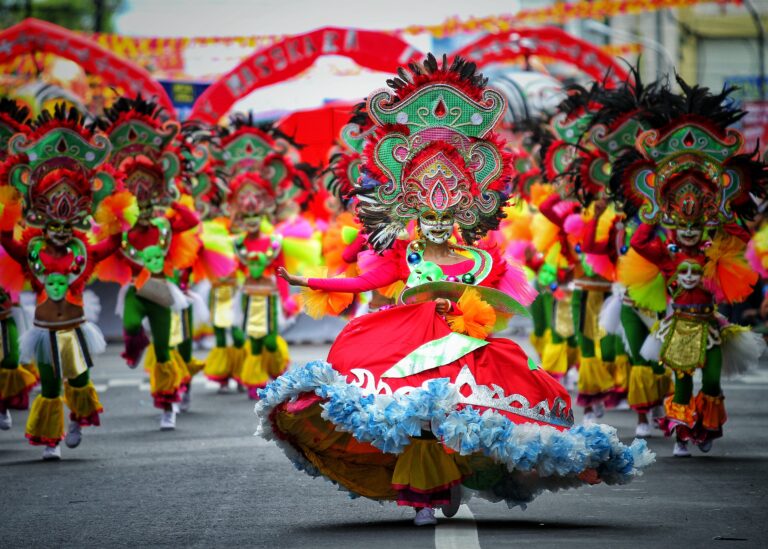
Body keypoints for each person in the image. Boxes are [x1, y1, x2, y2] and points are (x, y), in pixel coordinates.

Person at [256, 54, 653, 526]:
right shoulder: (408, 255)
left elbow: (494, 305)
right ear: (411, 211)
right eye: (427, 213)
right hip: (406, 343)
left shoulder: (482, 260)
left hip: (464, 350)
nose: (437, 223)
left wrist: (462, 305)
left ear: (467, 212)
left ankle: (446, 483)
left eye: (446, 214)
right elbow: (364, 281)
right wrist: (308, 280)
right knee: (418, 423)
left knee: (460, 422)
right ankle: (425, 493)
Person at [0, 104, 135, 459]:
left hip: (73, 328)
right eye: (52, 223)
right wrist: (10, 198)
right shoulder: (32, 250)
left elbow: (113, 244)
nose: (59, 231)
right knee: (48, 386)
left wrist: (116, 216)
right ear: (41, 220)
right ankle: (51, 439)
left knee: (77, 380)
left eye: (66, 223)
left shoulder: (82, 253)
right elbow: (6, 239)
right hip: (43, 329)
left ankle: (76, 419)